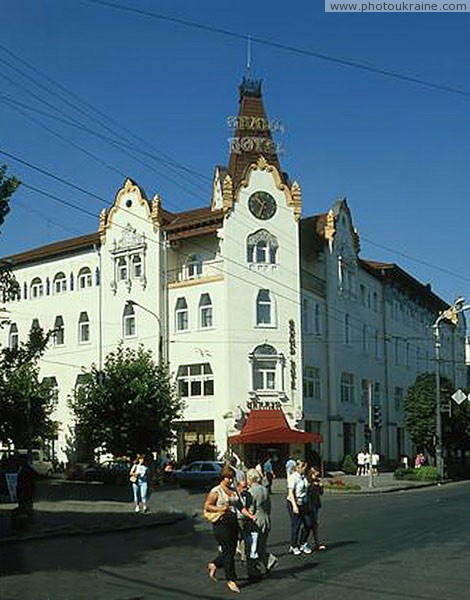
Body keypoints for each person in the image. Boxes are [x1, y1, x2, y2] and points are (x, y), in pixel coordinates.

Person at [204, 465, 241, 594]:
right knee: (227, 551)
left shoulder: (233, 489)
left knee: (231, 551)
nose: (230, 481)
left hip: (233, 522)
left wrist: (250, 516)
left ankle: (214, 564)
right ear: (223, 477)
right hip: (221, 524)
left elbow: (240, 505)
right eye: (228, 478)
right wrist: (220, 509)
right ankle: (231, 580)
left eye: (232, 478)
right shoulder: (216, 491)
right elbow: (207, 506)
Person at [246, 468, 278, 581]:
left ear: (250, 478)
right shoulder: (264, 489)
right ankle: (267, 562)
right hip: (265, 519)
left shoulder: (251, 492)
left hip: (255, 522)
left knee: (253, 548)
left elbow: (251, 509)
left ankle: (256, 570)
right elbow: (268, 507)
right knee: (261, 546)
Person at [286, 459, 312, 555]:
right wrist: (294, 506)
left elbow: (306, 489)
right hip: (294, 503)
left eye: (305, 467)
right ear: (298, 467)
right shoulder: (293, 477)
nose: (304, 469)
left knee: (308, 524)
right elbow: (290, 493)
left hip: (304, 503)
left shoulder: (304, 477)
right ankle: (293, 546)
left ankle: (303, 543)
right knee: (296, 525)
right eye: (303, 467)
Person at [305, 466, 326, 551]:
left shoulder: (317, 481)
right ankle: (303, 542)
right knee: (307, 524)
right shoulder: (307, 481)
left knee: (315, 524)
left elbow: (320, 493)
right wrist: (312, 485)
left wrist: (321, 487)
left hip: (315, 504)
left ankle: (316, 542)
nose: (317, 475)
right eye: (316, 473)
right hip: (308, 504)